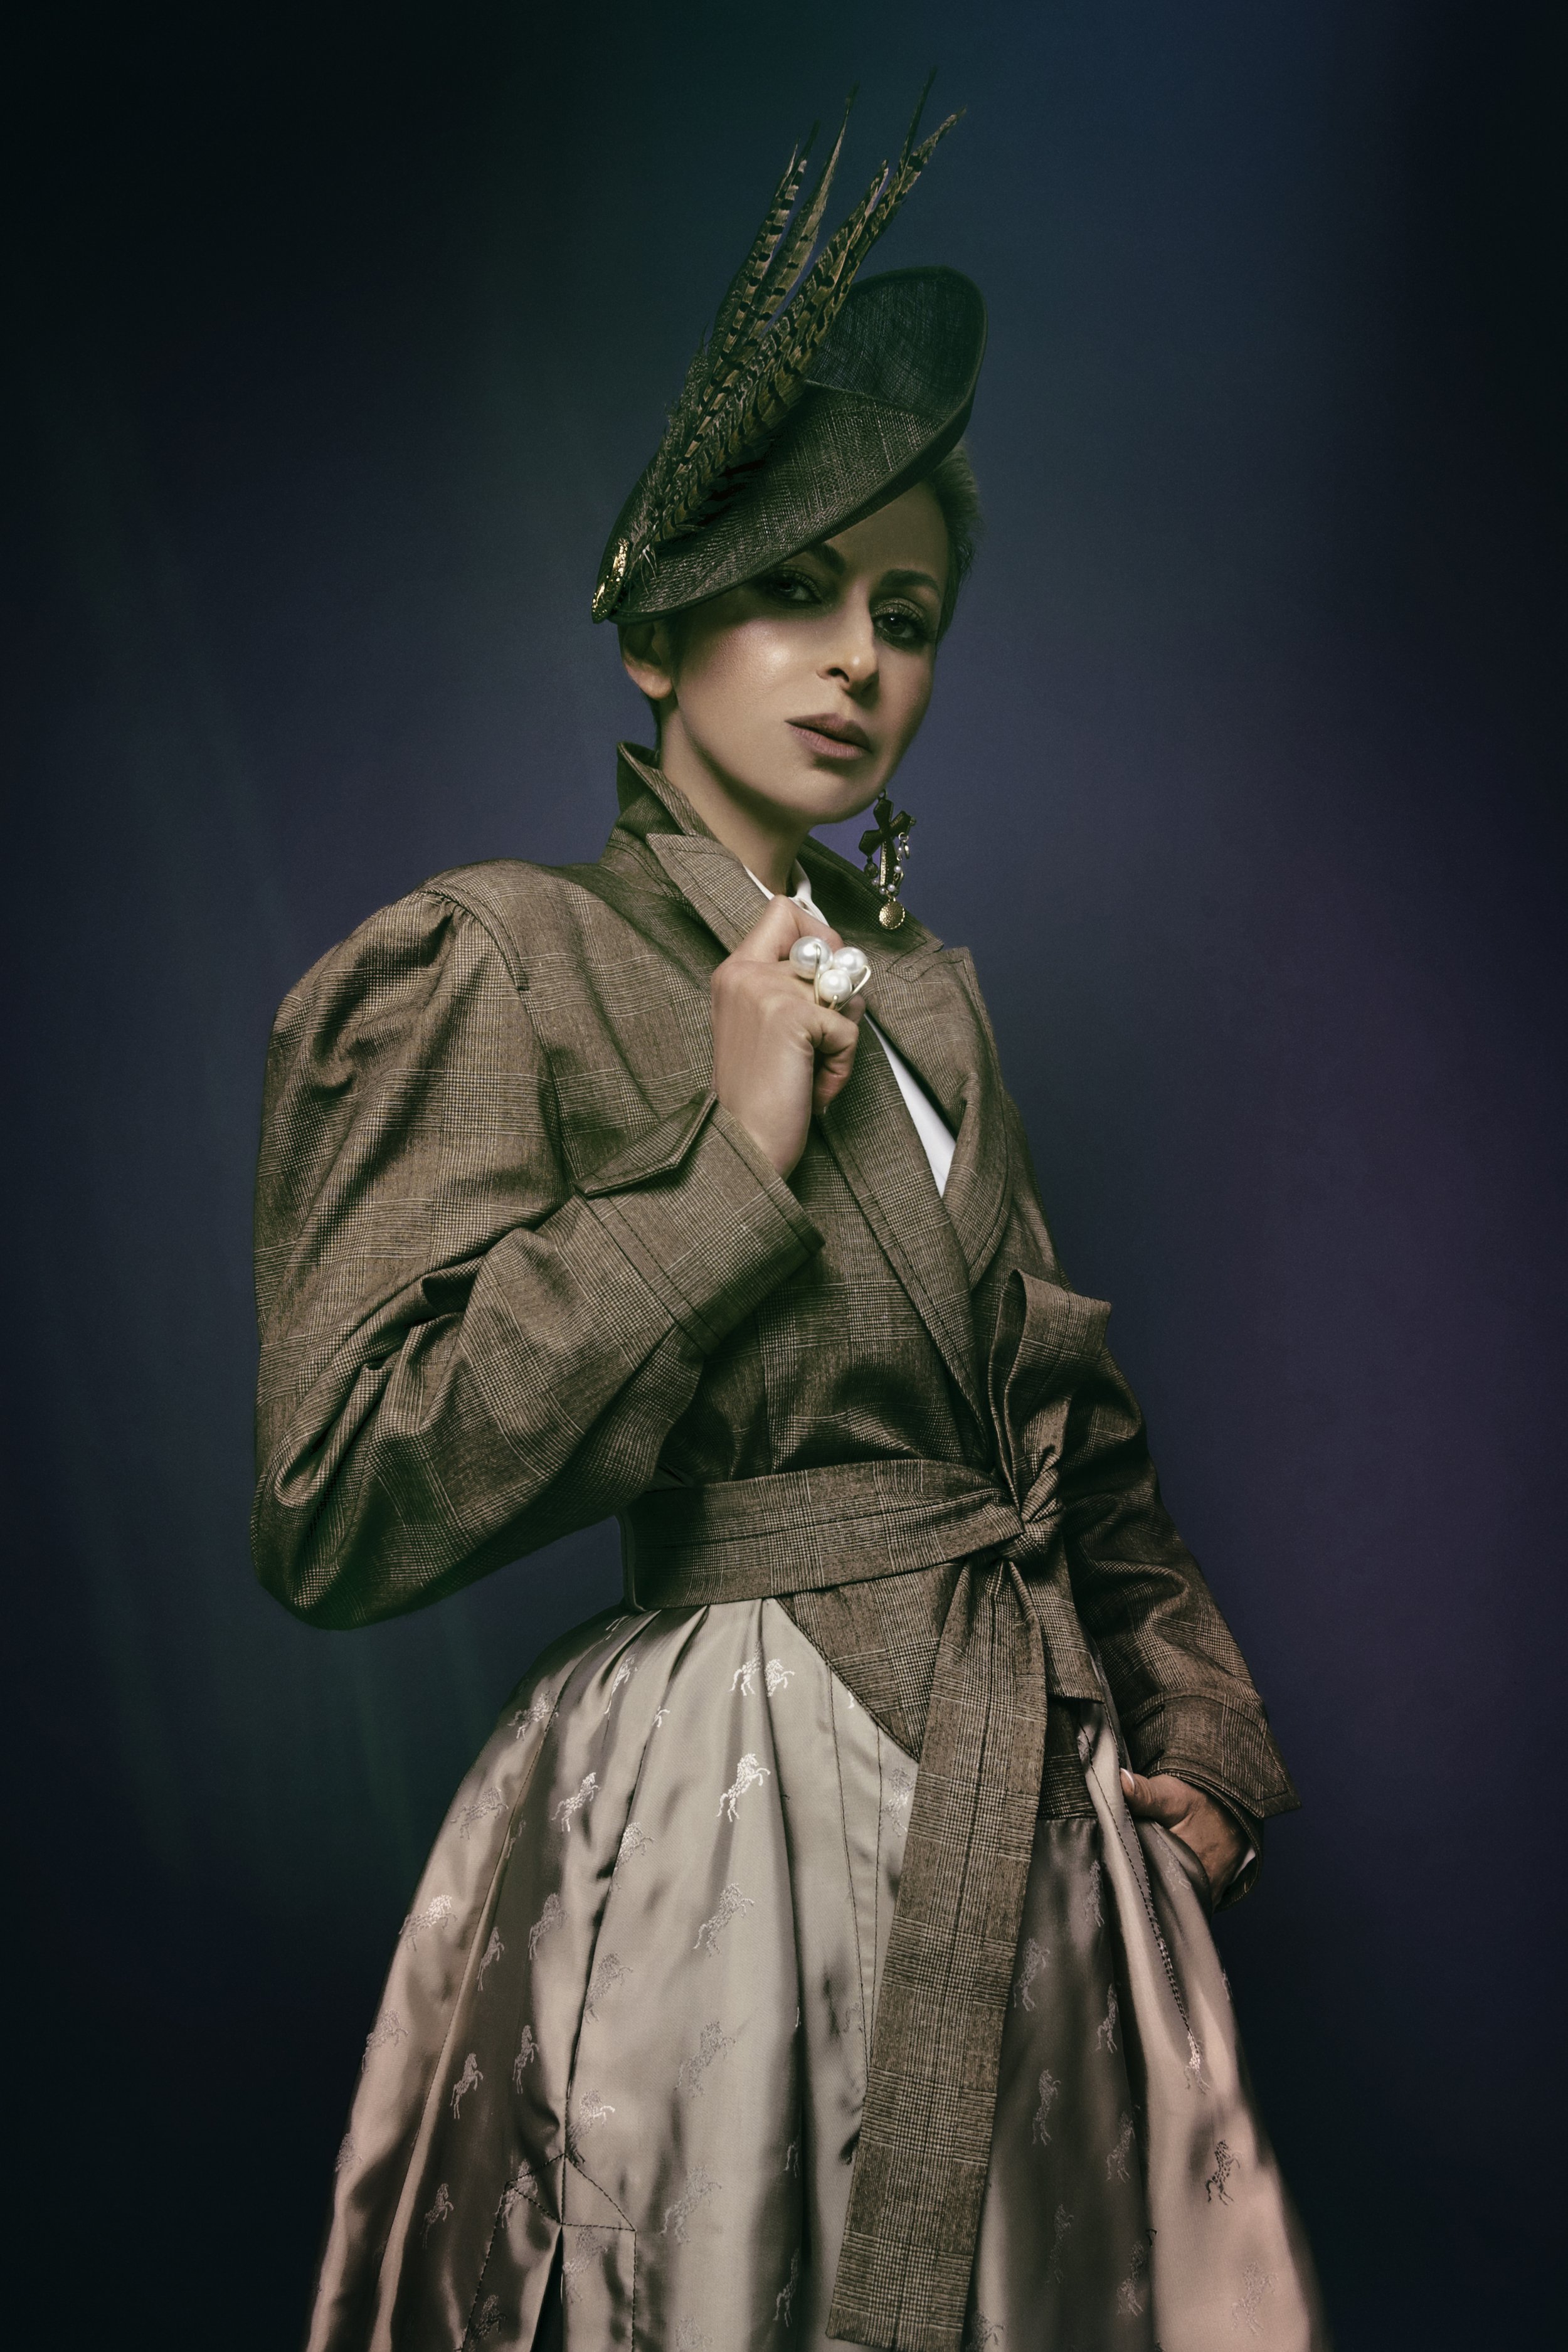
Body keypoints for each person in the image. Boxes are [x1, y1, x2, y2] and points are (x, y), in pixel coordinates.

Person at [253, 92, 1326, 2352]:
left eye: (902, 614)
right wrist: (722, 1163)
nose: (856, 658)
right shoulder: (501, 957)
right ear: (655, 631)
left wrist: (1201, 1738)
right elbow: (344, 1498)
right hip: (724, 1827)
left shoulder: (936, 1004)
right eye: (791, 587)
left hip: (1030, 1807)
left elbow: (1061, 1421)